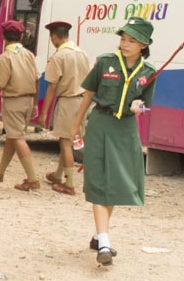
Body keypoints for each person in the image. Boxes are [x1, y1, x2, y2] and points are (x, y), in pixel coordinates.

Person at [70, 18, 156, 266]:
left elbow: (146, 105)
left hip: (126, 130)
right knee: (99, 181)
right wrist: (76, 124)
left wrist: (139, 107)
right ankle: (105, 243)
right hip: (101, 124)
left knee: (116, 183)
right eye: (123, 39)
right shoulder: (105, 62)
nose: (125, 44)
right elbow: (88, 94)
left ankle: (99, 235)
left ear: (143, 45)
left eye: (132, 40)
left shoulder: (148, 72)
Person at [0, 19, 40, 191]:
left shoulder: (5, 57)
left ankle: (33, 179)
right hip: (28, 100)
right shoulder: (29, 54)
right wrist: (35, 104)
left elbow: (0, 82)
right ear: (21, 36)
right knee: (13, 136)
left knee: (17, 138)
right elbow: (36, 79)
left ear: (3, 37)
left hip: (14, 101)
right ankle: (0, 172)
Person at [42, 20, 91, 196]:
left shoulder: (58, 57)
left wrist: (44, 112)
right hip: (82, 101)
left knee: (64, 142)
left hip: (67, 101)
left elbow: (52, 86)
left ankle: (69, 184)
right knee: (70, 141)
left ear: (55, 37)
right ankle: (57, 175)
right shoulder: (83, 53)